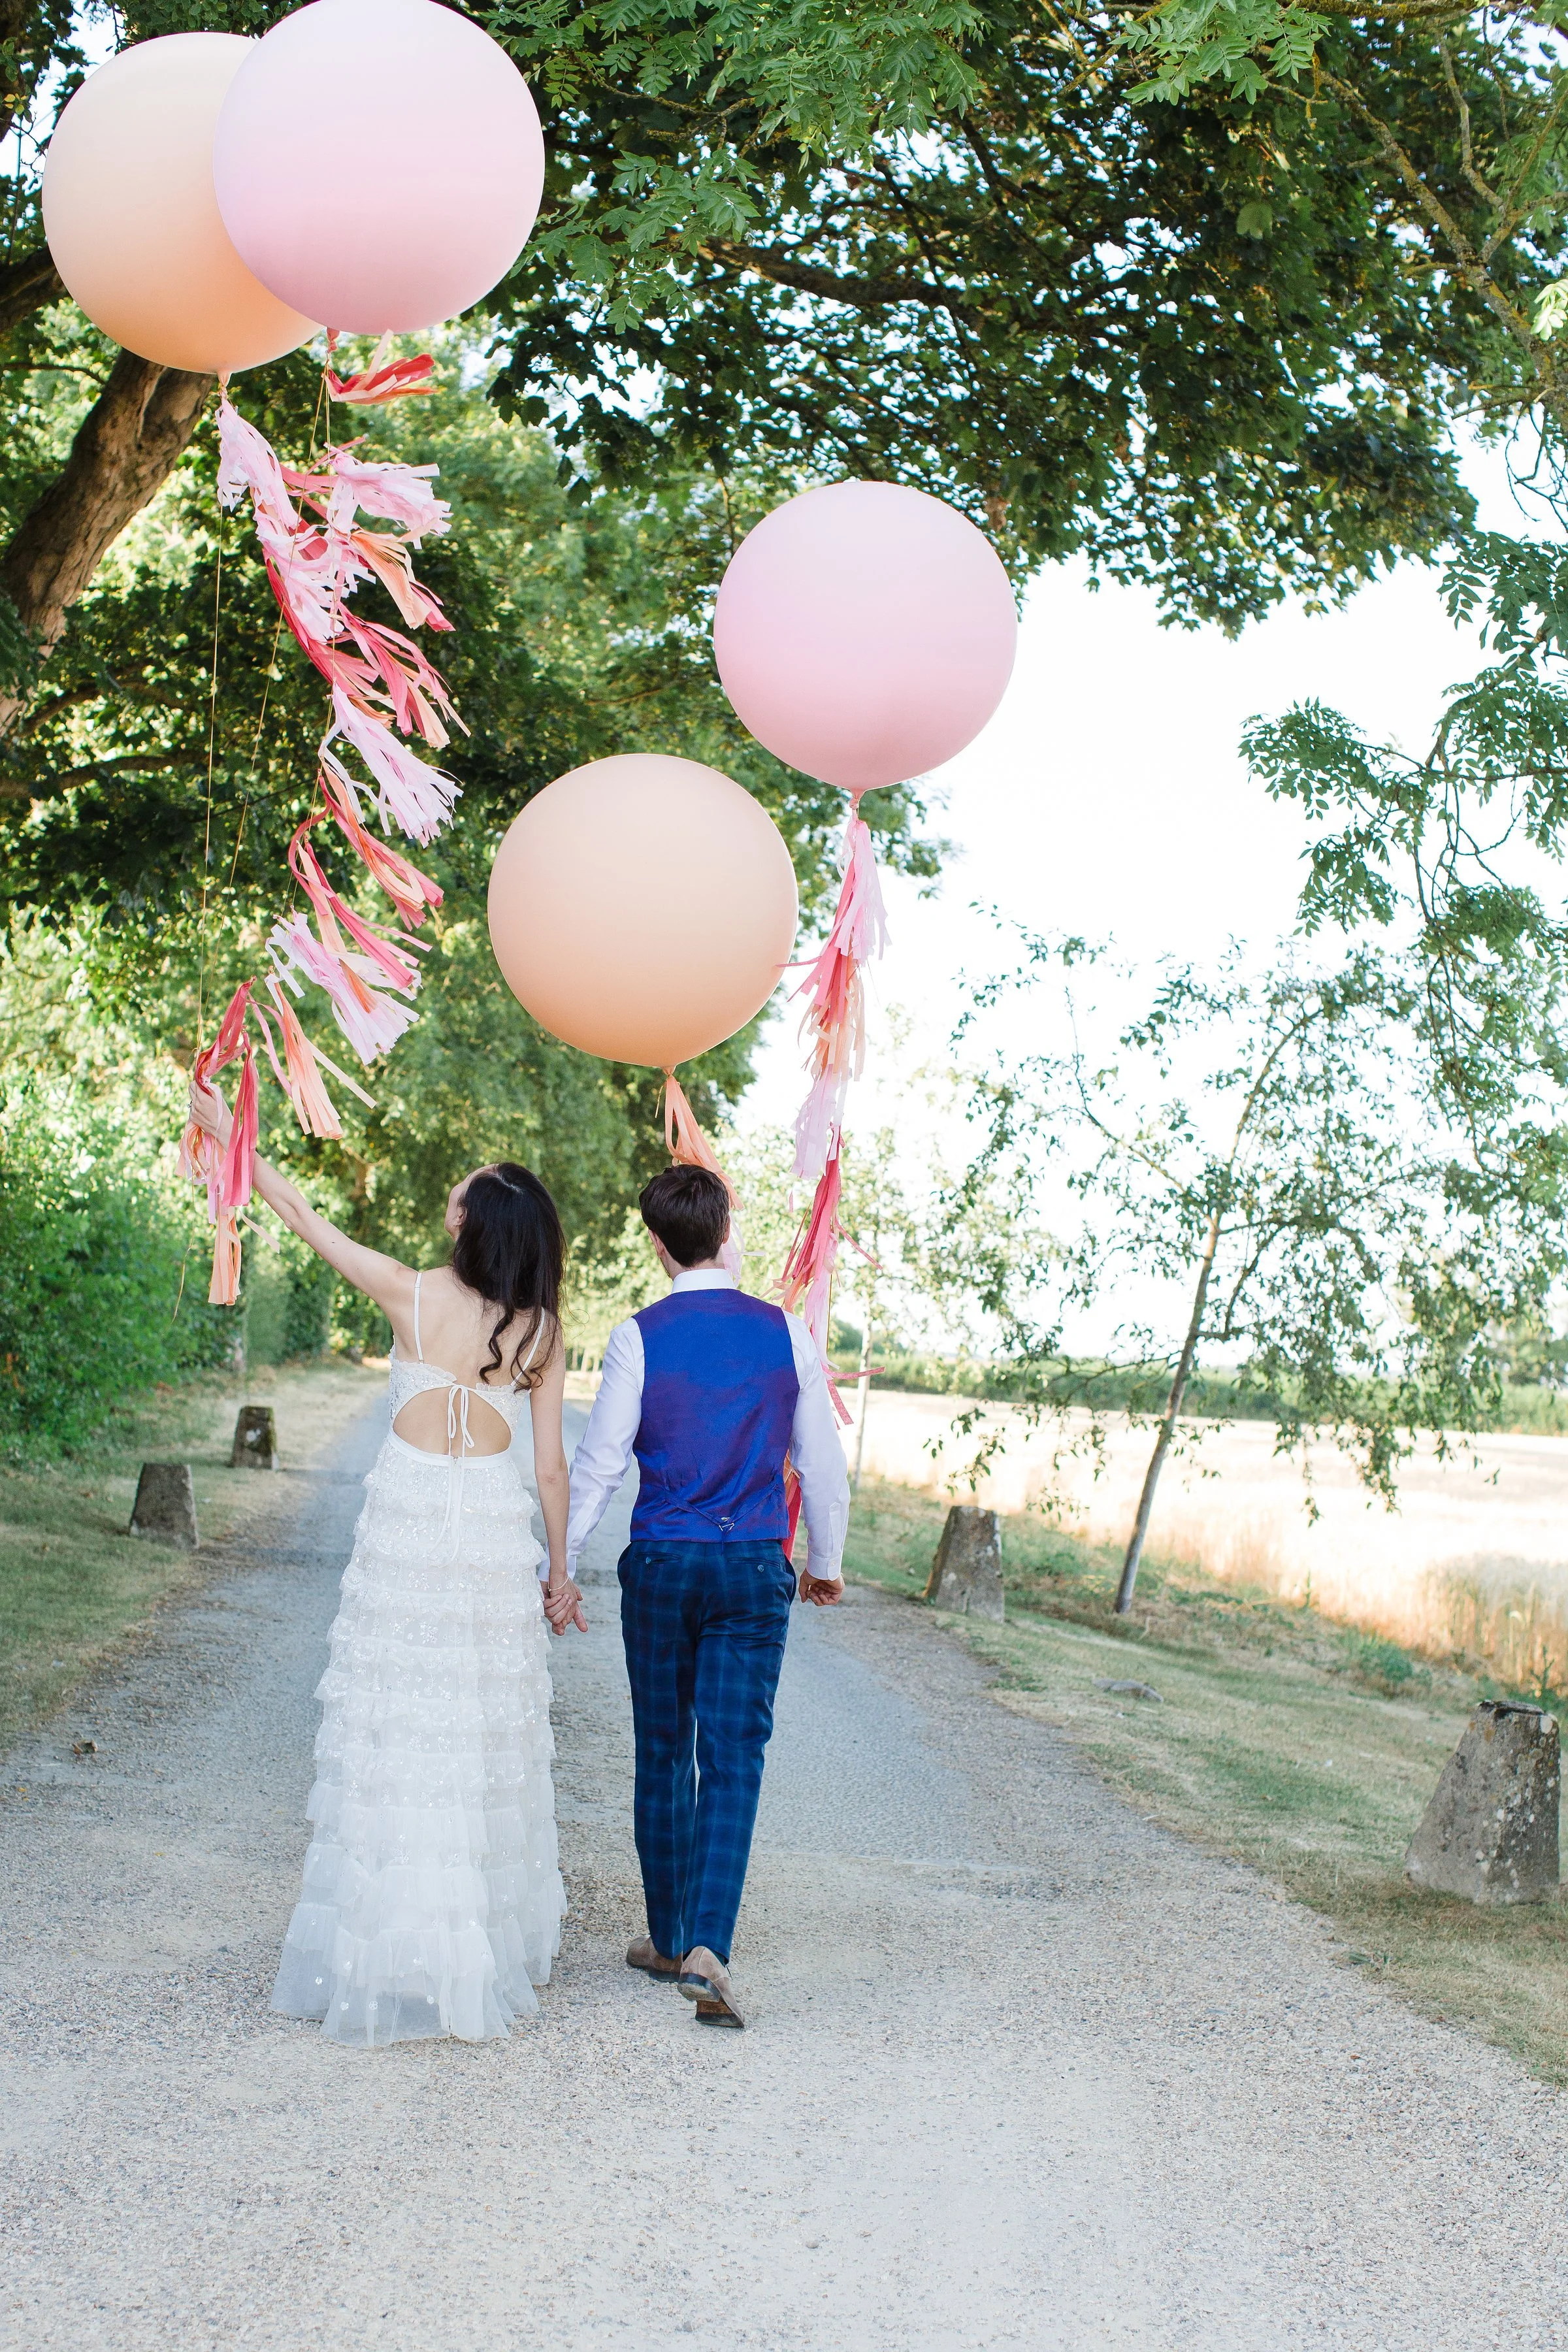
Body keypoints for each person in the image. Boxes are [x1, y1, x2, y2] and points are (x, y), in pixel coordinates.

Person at [188, 1079, 585, 2046]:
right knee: (476, 1729)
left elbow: (300, 1214)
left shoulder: (409, 1292)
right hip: (488, 1534)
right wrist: (560, 1571)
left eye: (461, 1192)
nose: (451, 1197)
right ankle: (466, 1947)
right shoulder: (541, 1332)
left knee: (401, 1725)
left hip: (408, 1528)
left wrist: (231, 1134)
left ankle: (394, 1943)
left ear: (467, 1224)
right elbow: (550, 1468)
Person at [565, 1162, 851, 2029]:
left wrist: (560, 1564)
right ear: (727, 1233)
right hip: (752, 1566)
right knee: (734, 1759)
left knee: (663, 1750)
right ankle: (706, 1951)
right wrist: (826, 1561)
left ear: (658, 1244)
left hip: (662, 1563)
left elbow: (600, 1465)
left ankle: (666, 1938)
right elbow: (821, 1464)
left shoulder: (637, 1337)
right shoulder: (786, 1334)